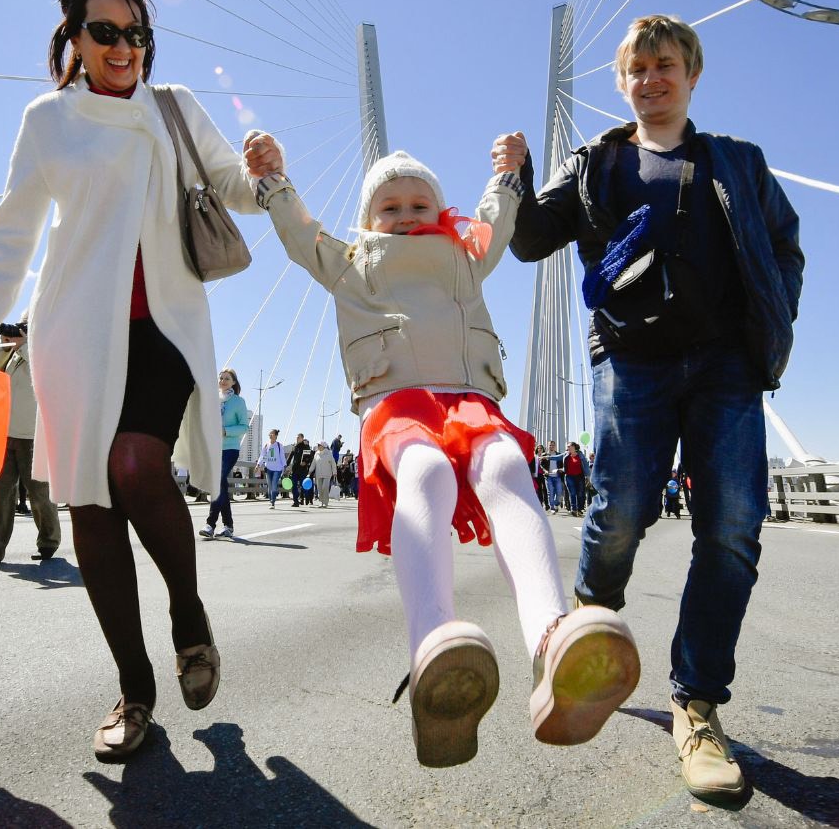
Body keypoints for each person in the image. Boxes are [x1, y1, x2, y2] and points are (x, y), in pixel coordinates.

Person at [0, 0, 277, 763]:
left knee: (135, 465)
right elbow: (10, 235)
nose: (124, 48)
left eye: (137, 33)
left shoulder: (173, 108)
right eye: (106, 32)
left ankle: (188, 612)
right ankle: (134, 689)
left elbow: (232, 187)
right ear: (74, 39)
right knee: (90, 504)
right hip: (76, 332)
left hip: (164, 330)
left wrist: (263, 173)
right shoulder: (48, 120)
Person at [247, 139, 640, 769]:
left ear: (439, 208)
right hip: (397, 402)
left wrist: (507, 177)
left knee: (506, 466)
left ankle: (551, 640)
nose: (406, 216)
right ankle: (432, 644)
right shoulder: (350, 262)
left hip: (468, 400)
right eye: (390, 207)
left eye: (419, 203)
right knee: (425, 471)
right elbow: (300, 235)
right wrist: (274, 183)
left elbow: (497, 222)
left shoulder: (464, 256)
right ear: (367, 218)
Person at [505, 14, 804, 801]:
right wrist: (516, 178)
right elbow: (530, 241)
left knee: (732, 528)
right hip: (632, 360)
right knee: (622, 511)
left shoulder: (737, 162)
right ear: (621, 82)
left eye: (665, 65)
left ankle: (696, 705)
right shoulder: (594, 163)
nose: (651, 79)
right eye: (637, 69)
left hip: (725, 366)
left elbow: (784, 244)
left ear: (692, 74)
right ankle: (583, 638)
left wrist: (774, 316)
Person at [0, 319, 62, 565]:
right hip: (3, 434)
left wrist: (24, 346)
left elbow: (45, 378)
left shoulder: (43, 354)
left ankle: (48, 542)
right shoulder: (9, 354)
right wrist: (5, 346)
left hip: (33, 435)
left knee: (39, 493)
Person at [201, 368, 249, 539]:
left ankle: (210, 524)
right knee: (220, 485)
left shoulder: (238, 402)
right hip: (214, 448)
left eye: (227, 378)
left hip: (230, 448)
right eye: (221, 378)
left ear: (233, 382)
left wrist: (225, 430)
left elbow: (244, 426)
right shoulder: (213, 400)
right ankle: (228, 526)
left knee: (217, 482)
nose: (222, 381)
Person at [283, 433, 313, 508]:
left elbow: (309, 457)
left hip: (303, 470)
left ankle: (306, 497)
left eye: (298, 437)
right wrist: (286, 465)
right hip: (295, 470)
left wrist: (305, 462)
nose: (297, 438)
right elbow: (290, 457)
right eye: (296, 437)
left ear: (302, 438)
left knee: (304, 486)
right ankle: (295, 501)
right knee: (294, 486)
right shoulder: (295, 447)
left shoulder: (306, 447)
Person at [258, 429, 285, 508]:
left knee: (273, 485)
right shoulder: (266, 445)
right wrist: (258, 464)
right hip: (268, 468)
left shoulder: (279, 445)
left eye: (272, 434)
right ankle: (271, 500)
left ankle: (273, 502)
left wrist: (284, 466)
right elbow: (262, 456)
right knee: (269, 486)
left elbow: (282, 456)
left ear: (276, 436)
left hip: (277, 469)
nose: (270, 435)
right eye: (269, 434)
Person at [563, 442, 587, 517]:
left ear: (573, 447)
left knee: (580, 493)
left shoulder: (580, 455)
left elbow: (586, 465)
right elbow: (556, 457)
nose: (568, 448)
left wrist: (588, 476)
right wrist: (547, 457)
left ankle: (579, 509)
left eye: (569, 446)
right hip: (569, 477)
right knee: (572, 493)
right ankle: (573, 509)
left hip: (580, 477)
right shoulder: (566, 455)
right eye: (567, 447)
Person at [541, 440, 565, 514]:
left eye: (553, 445)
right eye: (550, 445)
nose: (551, 446)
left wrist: (560, 470)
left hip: (557, 476)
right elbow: (541, 465)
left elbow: (563, 465)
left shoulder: (559, 455)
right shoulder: (544, 455)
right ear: (548, 446)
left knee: (559, 493)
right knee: (550, 493)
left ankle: (556, 504)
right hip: (548, 477)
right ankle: (552, 508)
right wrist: (545, 471)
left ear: (555, 446)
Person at [309, 443, 336, 508]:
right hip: (319, 474)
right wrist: (310, 471)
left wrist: (334, 472)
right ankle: (321, 502)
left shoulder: (329, 453)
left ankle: (325, 503)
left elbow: (333, 463)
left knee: (325, 487)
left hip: (327, 474)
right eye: (318, 445)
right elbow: (313, 463)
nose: (318, 446)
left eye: (319, 445)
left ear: (323, 446)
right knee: (320, 489)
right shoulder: (316, 453)